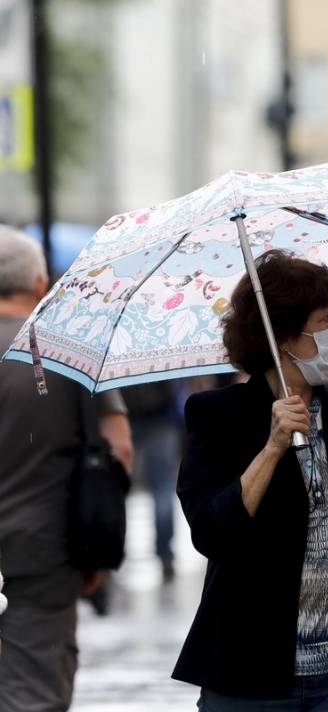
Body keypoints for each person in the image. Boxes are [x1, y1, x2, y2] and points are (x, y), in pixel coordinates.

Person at [172, 251, 328, 710]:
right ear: (284, 336)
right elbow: (211, 531)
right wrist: (271, 448)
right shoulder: (217, 416)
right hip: (250, 669)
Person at [0, 225, 133, 712]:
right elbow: (118, 448)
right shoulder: (66, 347)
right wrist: (95, 546)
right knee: (34, 687)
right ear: (40, 286)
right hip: (46, 547)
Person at [122, 380, 182, 582]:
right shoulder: (162, 349)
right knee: (163, 489)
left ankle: (114, 549)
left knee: (119, 488)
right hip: (162, 417)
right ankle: (165, 555)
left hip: (128, 417)